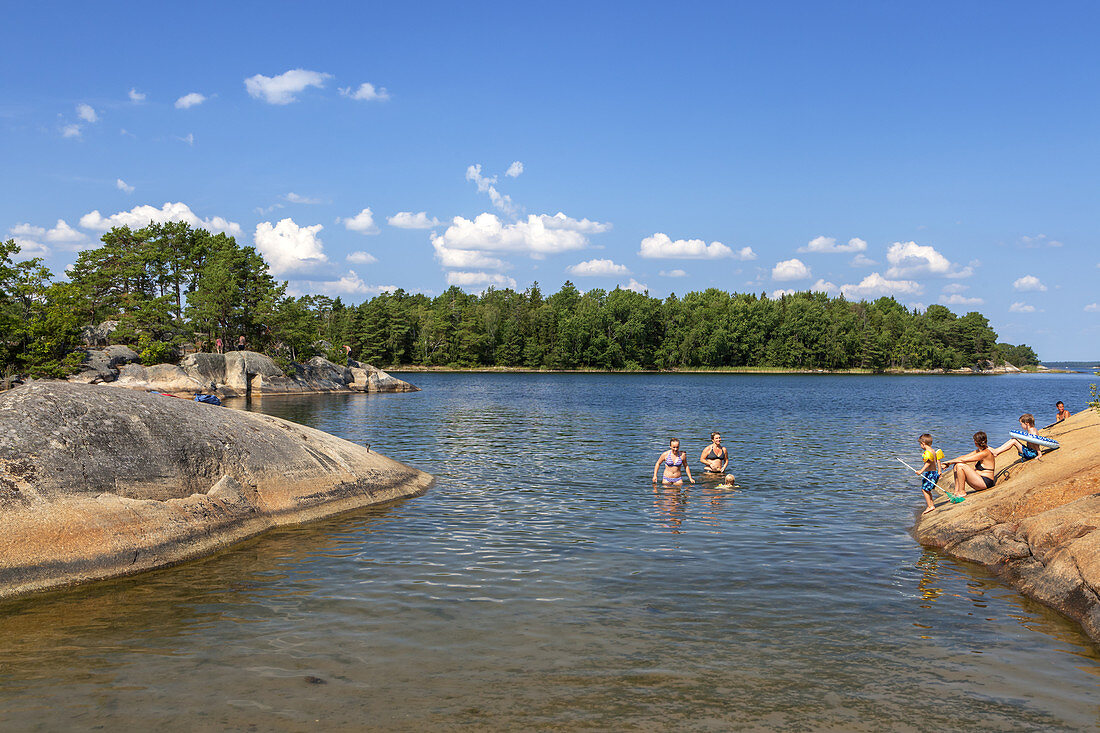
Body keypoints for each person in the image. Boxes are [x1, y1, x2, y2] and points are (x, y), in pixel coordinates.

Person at [943, 431, 996, 498]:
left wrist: (948, 463)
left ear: (976, 442)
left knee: (960, 465)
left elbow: (964, 460)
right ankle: (956, 492)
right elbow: (963, 457)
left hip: (985, 482)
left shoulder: (985, 453)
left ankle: (962, 492)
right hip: (979, 480)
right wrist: (948, 462)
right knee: (956, 465)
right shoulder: (979, 450)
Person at [917, 433, 945, 515]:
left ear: (923, 443)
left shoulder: (928, 452)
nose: (920, 446)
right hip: (934, 473)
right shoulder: (933, 451)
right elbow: (938, 461)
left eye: (920, 444)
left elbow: (928, 463)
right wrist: (939, 472)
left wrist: (921, 471)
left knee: (924, 489)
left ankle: (930, 506)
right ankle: (931, 504)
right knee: (927, 490)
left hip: (930, 474)